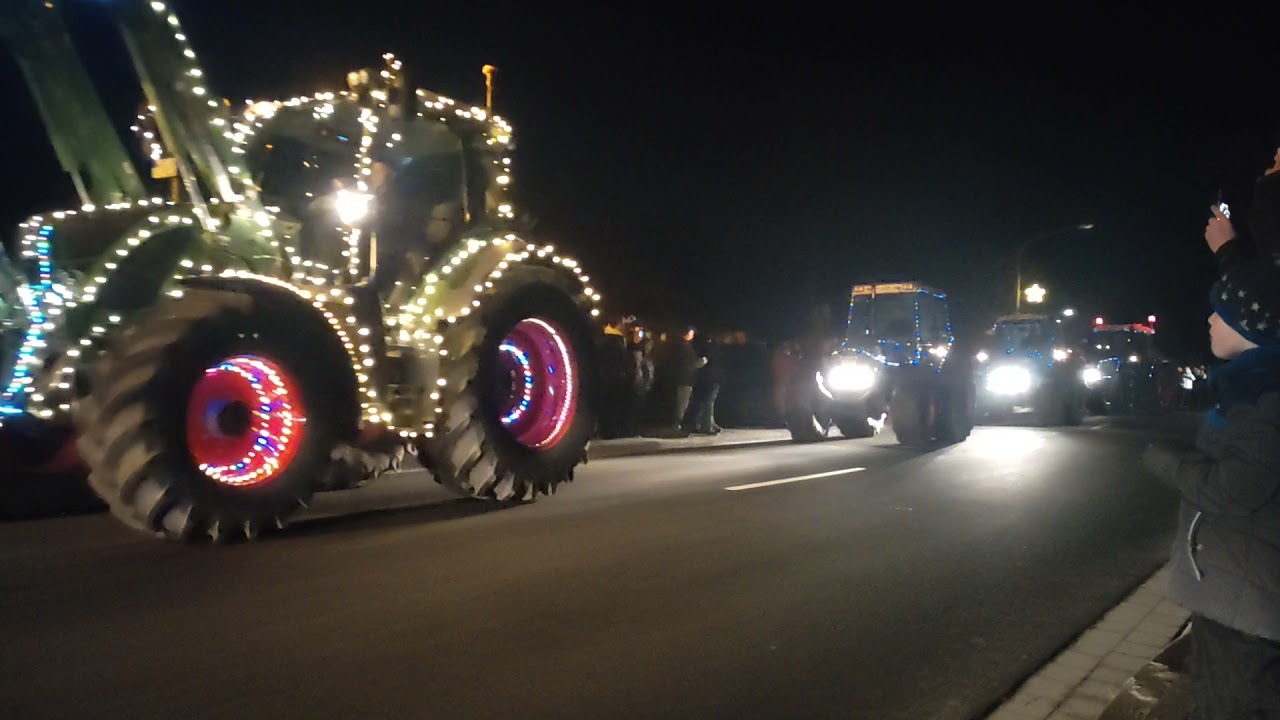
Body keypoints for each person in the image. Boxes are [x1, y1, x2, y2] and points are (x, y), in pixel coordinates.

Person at [1141, 254, 1280, 719]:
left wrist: (1162, 459)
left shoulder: (1266, 398)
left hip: (1246, 608)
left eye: (1222, 312)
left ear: (1254, 324)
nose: (1210, 319)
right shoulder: (1251, 387)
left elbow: (1231, 491)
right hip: (1242, 592)